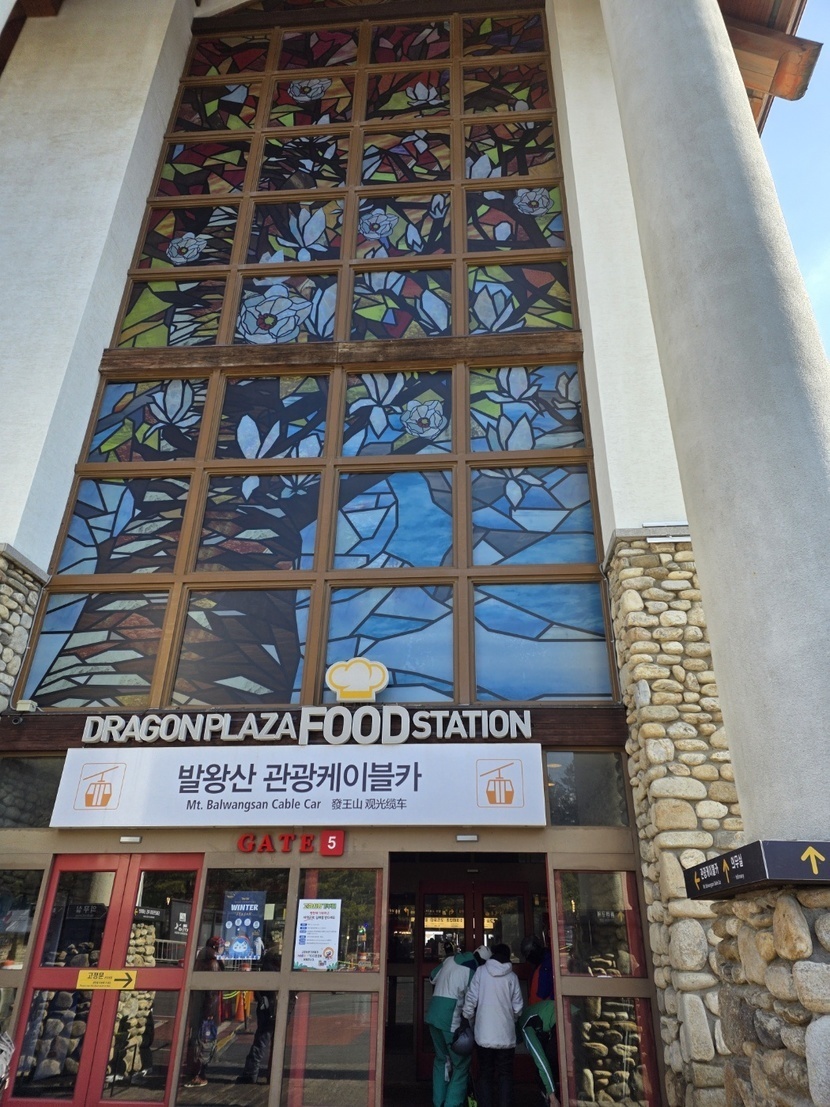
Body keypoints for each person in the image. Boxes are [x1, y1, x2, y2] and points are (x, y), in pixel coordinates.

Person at [425, 944, 490, 1107]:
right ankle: (452, 1103)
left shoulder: (450, 960)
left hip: (433, 1015)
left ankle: (439, 1101)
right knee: (461, 1064)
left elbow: (432, 977)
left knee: (441, 1059)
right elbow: (473, 1001)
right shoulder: (475, 970)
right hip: (450, 1019)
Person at [461, 943, 523, 1107]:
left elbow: (470, 1000)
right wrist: (511, 1020)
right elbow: (518, 1008)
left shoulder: (481, 972)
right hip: (506, 1037)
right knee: (505, 1075)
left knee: (485, 1074)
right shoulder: (512, 977)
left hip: (484, 1035)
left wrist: (468, 1019)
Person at [236, 939, 281, 1085]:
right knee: (276, 1044)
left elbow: (263, 989)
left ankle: (251, 1073)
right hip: (279, 1008)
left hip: (268, 1009)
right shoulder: (283, 968)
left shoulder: (267, 968)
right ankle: (273, 1075)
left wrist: (261, 999)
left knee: (261, 1041)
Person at [184, 936, 224, 1088]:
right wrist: (210, 1011)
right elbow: (212, 992)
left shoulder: (200, 961)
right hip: (207, 1010)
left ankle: (194, 1070)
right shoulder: (213, 963)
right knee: (205, 1042)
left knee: (196, 1039)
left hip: (197, 1007)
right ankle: (199, 1074)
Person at [519, 1000, 560, 1107]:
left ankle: (550, 1099)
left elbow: (541, 1062)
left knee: (546, 1065)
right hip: (575, 1013)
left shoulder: (525, 1026)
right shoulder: (533, 1013)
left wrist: (553, 1098)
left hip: (562, 1021)